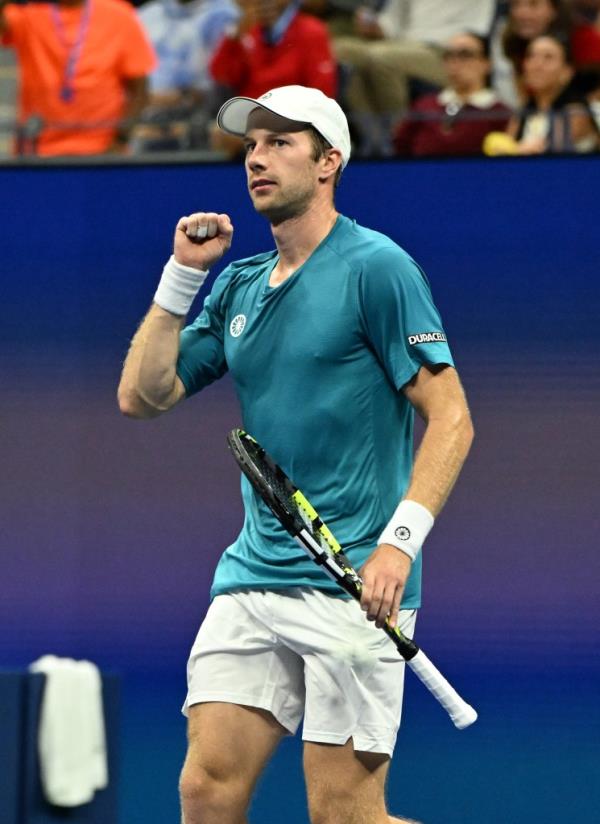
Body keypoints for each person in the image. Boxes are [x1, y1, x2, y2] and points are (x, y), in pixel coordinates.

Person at [117, 84, 474, 824]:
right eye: (251, 145)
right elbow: (143, 396)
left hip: (355, 589)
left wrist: (397, 547)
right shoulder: (237, 284)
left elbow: (453, 419)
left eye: (280, 142)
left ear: (328, 161)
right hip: (253, 577)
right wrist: (182, 275)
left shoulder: (379, 268)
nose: (256, 159)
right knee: (206, 790)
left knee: (344, 815)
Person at [0, 0, 156, 156]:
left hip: (104, 152)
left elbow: (140, 91)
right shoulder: (29, 15)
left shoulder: (119, 15)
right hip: (38, 150)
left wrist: (120, 140)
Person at [134, 0, 238, 151]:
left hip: (202, 113)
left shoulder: (226, 15)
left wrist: (182, 96)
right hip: (145, 114)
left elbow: (224, 80)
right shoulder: (145, 15)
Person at [394, 32, 511, 158]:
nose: (455, 63)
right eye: (449, 55)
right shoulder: (424, 105)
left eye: (465, 55)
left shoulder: (500, 113)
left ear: (486, 63)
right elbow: (400, 147)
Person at [484, 34, 598, 154]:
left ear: (567, 72)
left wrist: (515, 150)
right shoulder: (522, 113)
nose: (537, 64)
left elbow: (554, 157)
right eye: (531, 56)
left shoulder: (576, 113)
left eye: (548, 57)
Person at [490, 0, 600, 108]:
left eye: (534, 4)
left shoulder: (584, 39)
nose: (522, 13)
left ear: (554, 10)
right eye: (516, 5)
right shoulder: (513, 45)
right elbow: (524, 102)